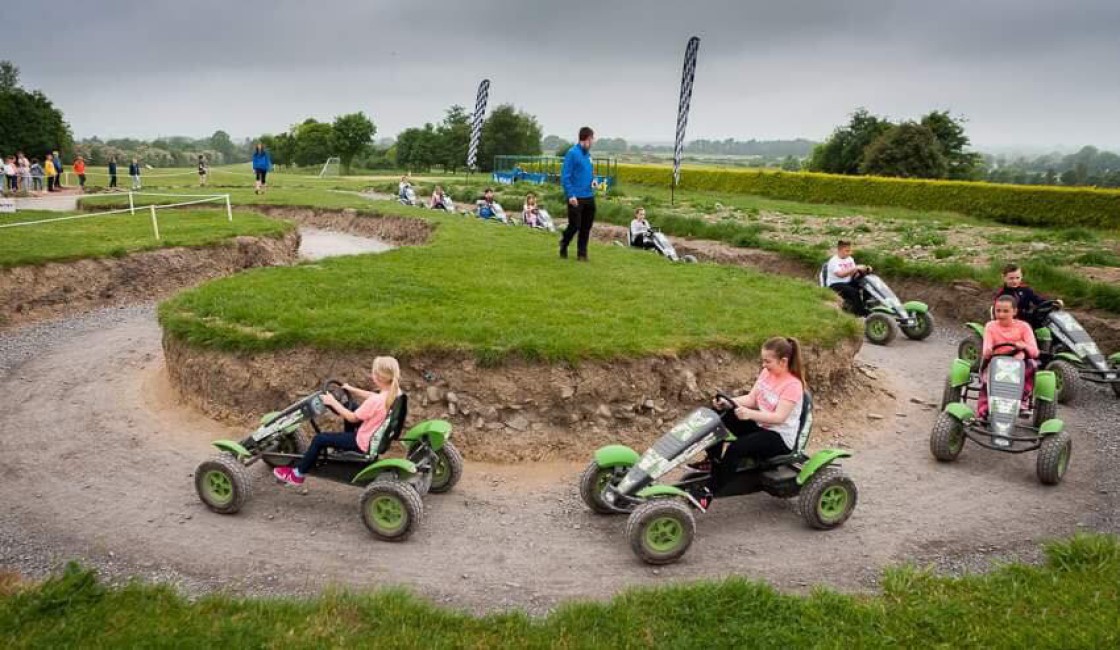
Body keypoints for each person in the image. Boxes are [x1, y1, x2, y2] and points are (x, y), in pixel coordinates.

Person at [693, 337, 806, 508]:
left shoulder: (793, 385)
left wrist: (749, 414)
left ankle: (709, 491)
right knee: (717, 416)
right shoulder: (767, 373)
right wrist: (728, 402)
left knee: (737, 448)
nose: (763, 365)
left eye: (768, 361)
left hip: (779, 437)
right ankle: (714, 461)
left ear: (783, 361)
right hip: (761, 425)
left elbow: (779, 418)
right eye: (763, 360)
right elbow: (752, 399)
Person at [273, 356, 402, 486]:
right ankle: (344, 449)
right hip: (377, 437)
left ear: (378, 377)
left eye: (373, 372)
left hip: (363, 443)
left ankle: (297, 474)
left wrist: (332, 402)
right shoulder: (396, 393)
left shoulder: (376, 401)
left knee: (319, 439)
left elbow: (352, 417)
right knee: (351, 406)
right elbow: (373, 396)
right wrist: (351, 389)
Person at [977, 294, 1039, 419]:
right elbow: (986, 350)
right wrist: (988, 350)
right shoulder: (990, 326)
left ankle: (1021, 403)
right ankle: (984, 411)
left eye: (1006, 311)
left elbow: (1035, 352)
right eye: (998, 311)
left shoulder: (1024, 327)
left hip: (1020, 362)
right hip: (996, 361)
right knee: (987, 380)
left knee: (1031, 367)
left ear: (1014, 311)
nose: (1001, 315)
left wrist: (1023, 346)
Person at [559, 126, 597, 261]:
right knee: (575, 225)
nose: (592, 143)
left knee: (586, 227)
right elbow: (565, 176)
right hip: (576, 197)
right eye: (592, 140)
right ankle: (564, 243)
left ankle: (582, 254)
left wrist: (594, 181)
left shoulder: (588, 156)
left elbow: (591, 172)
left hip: (589, 196)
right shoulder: (572, 153)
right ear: (586, 139)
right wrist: (571, 195)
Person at [995, 263, 1062, 330]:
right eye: (1011, 278)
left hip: (1030, 319)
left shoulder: (1026, 290)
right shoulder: (1002, 295)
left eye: (1017, 278)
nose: (1015, 281)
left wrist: (1053, 303)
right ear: (1004, 278)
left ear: (1021, 276)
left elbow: (1038, 300)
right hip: (1013, 323)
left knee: (1051, 324)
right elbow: (1002, 313)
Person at [825, 240, 872, 316]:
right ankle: (860, 313)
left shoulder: (850, 259)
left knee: (867, 285)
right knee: (854, 292)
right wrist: (855, 268)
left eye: (850, 250)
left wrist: (865, 270)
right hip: (835, 284)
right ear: (840, 250)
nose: (849, 253)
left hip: (848, 282)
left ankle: (866, 305)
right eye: (847, 251)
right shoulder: (834, 261)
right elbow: (840, 274)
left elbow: (854, 273)